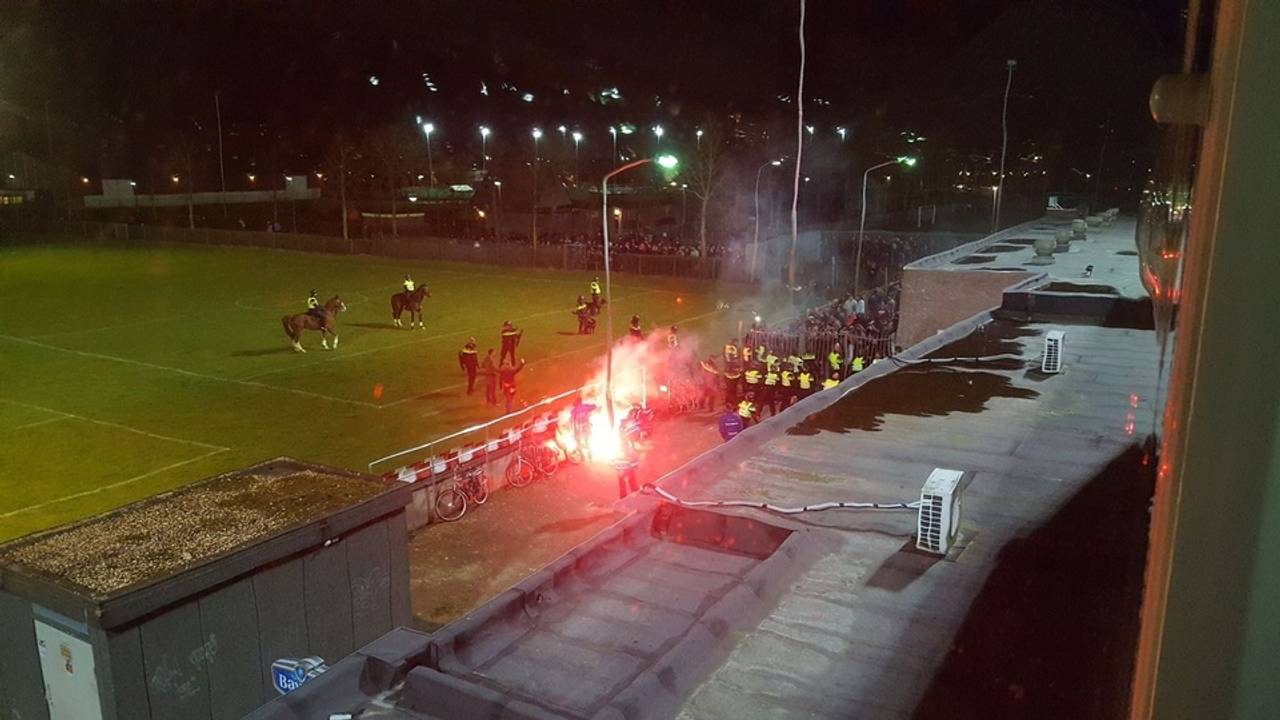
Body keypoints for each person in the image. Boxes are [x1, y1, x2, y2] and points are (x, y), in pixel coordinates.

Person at [613, 434, 641, 499]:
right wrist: (635, 467)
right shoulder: (630, 450)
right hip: (628, 469)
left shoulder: (617, 450)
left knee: (622, 485)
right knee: (632, 483)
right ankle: (636, 495)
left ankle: (623, 498)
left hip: (620, 470)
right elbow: (635, 460)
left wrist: (618, 469)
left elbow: (613, 461)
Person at [570, 395, 597, 460]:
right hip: (586, 427)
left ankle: (582, 456)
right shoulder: (585, 406)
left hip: (578, 429)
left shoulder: (573, 411)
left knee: (578, 442)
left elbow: (572, 421)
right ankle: (590, 454)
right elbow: (594, 406)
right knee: (587, 441)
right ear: (581, 402)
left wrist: (573, 431)